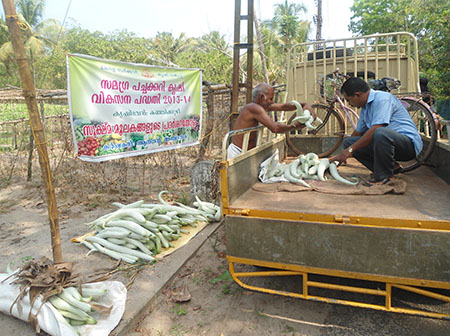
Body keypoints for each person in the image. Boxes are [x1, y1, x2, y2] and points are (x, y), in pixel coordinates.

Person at [329, 77, 423, 185]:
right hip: (387, 144)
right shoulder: (365, 108)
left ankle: (384, 177)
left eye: (348, 100)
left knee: (379, 132)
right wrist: (344, 153)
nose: (349, 104)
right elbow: (357, 133)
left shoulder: (382, 99)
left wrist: (350, 150)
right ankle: (392, 168)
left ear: (357, 95)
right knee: (348, 142)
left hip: (408, 145)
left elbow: (377, 128)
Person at [227, 83, 314, 159]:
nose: (272, 102)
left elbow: (283, 107)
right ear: (261, 97)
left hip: (246, 152)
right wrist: (294, 126)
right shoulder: (253, 108)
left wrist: (303, 104)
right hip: (237, 153)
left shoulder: (261, 105)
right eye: (270, 99)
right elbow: (275, 128)